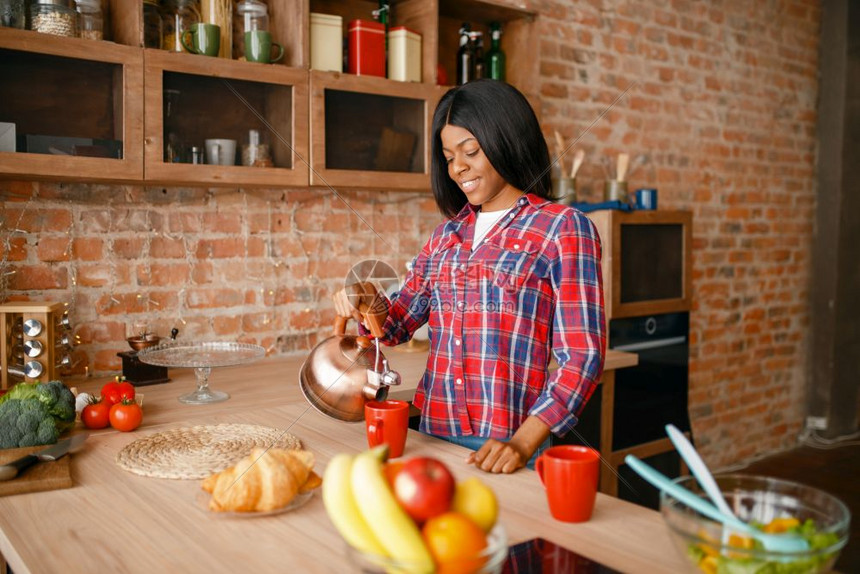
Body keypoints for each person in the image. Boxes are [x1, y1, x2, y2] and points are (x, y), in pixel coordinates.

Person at [333, 79, 606, 474]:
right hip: (434, 435)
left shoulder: (562, 228)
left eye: (470, 152)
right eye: (448, 156)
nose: (457, 167)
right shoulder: (446, 236)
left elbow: (582, 356)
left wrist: (522, 443)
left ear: (506, 140)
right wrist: (364, 299)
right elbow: (395, 324)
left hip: (510, 446)